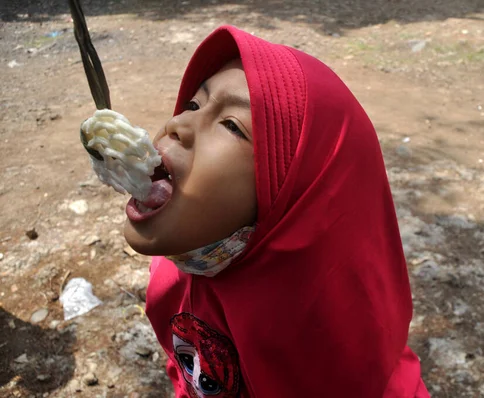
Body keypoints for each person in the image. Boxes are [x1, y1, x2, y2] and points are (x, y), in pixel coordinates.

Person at [123, 25, 429, 398]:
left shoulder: (326, 342)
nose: (177, 124)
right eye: (193, 104)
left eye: (232, 125)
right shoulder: (178, 269)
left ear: (292, 198)